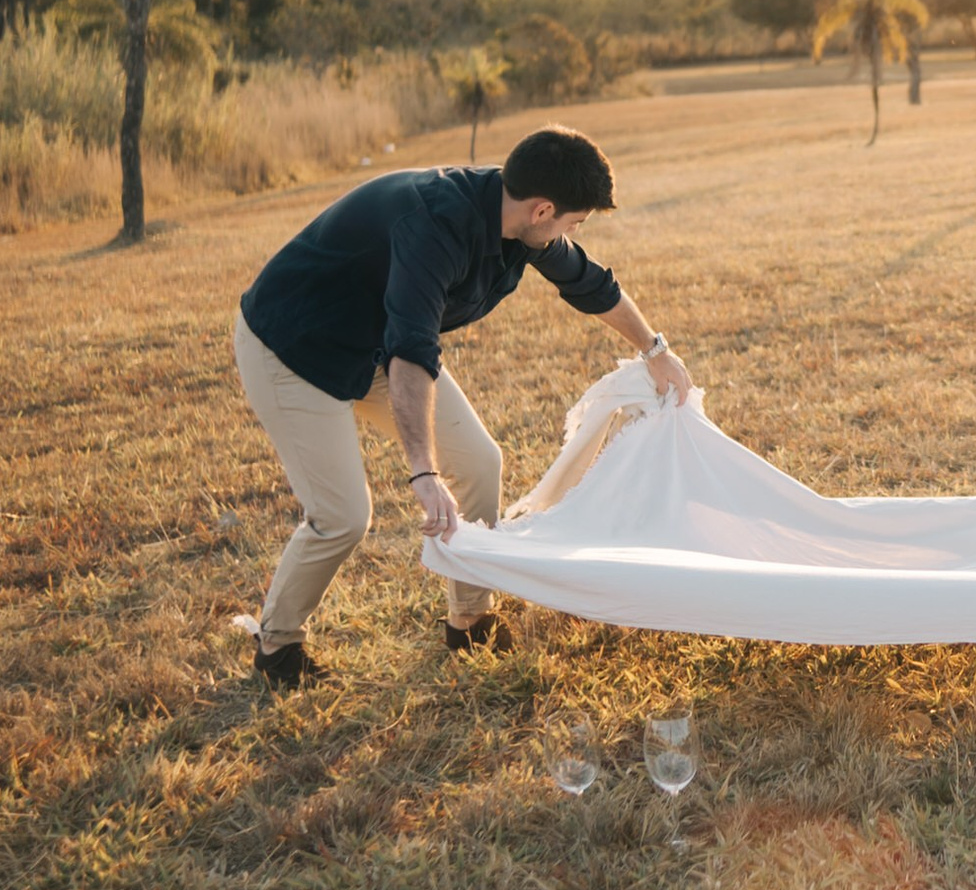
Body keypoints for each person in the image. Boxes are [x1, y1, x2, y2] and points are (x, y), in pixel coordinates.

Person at [230, 125, 693, 688]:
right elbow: (410, 352)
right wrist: (423, 471)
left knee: (479, 463)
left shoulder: (521, 224)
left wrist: (655, 351)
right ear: (543, 209)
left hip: (377, 341)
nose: (572, 234)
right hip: (294, 347)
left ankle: (469, 621)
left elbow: (590, 283)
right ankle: (278, 647)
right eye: (574, 223)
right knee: (343, 517)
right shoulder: (435, 227)